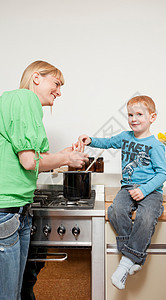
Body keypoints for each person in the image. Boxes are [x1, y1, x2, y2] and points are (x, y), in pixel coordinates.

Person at [0, 60, 88, 300]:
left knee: (15, 294)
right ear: (36, 77)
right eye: (56, 83)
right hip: (7, 210)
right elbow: (29, 162)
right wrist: (64, 158)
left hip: (17, 209)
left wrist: (64, 155)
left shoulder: (17, 103)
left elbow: (35, 159)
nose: (59, 91)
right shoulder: (24, 98)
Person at [78, 95, 166, 290]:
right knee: (115, 211)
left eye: (139, 114)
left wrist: (144, 190)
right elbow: (108, 142)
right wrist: (91, 140)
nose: (133, 118)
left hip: (150, 190)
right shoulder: (125, 137)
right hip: (127, 187)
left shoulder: (156, 145)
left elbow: (162, 174)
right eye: (130, 114)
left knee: (146, 217)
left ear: (152, 117)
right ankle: (134, 256)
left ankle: (125, 262)